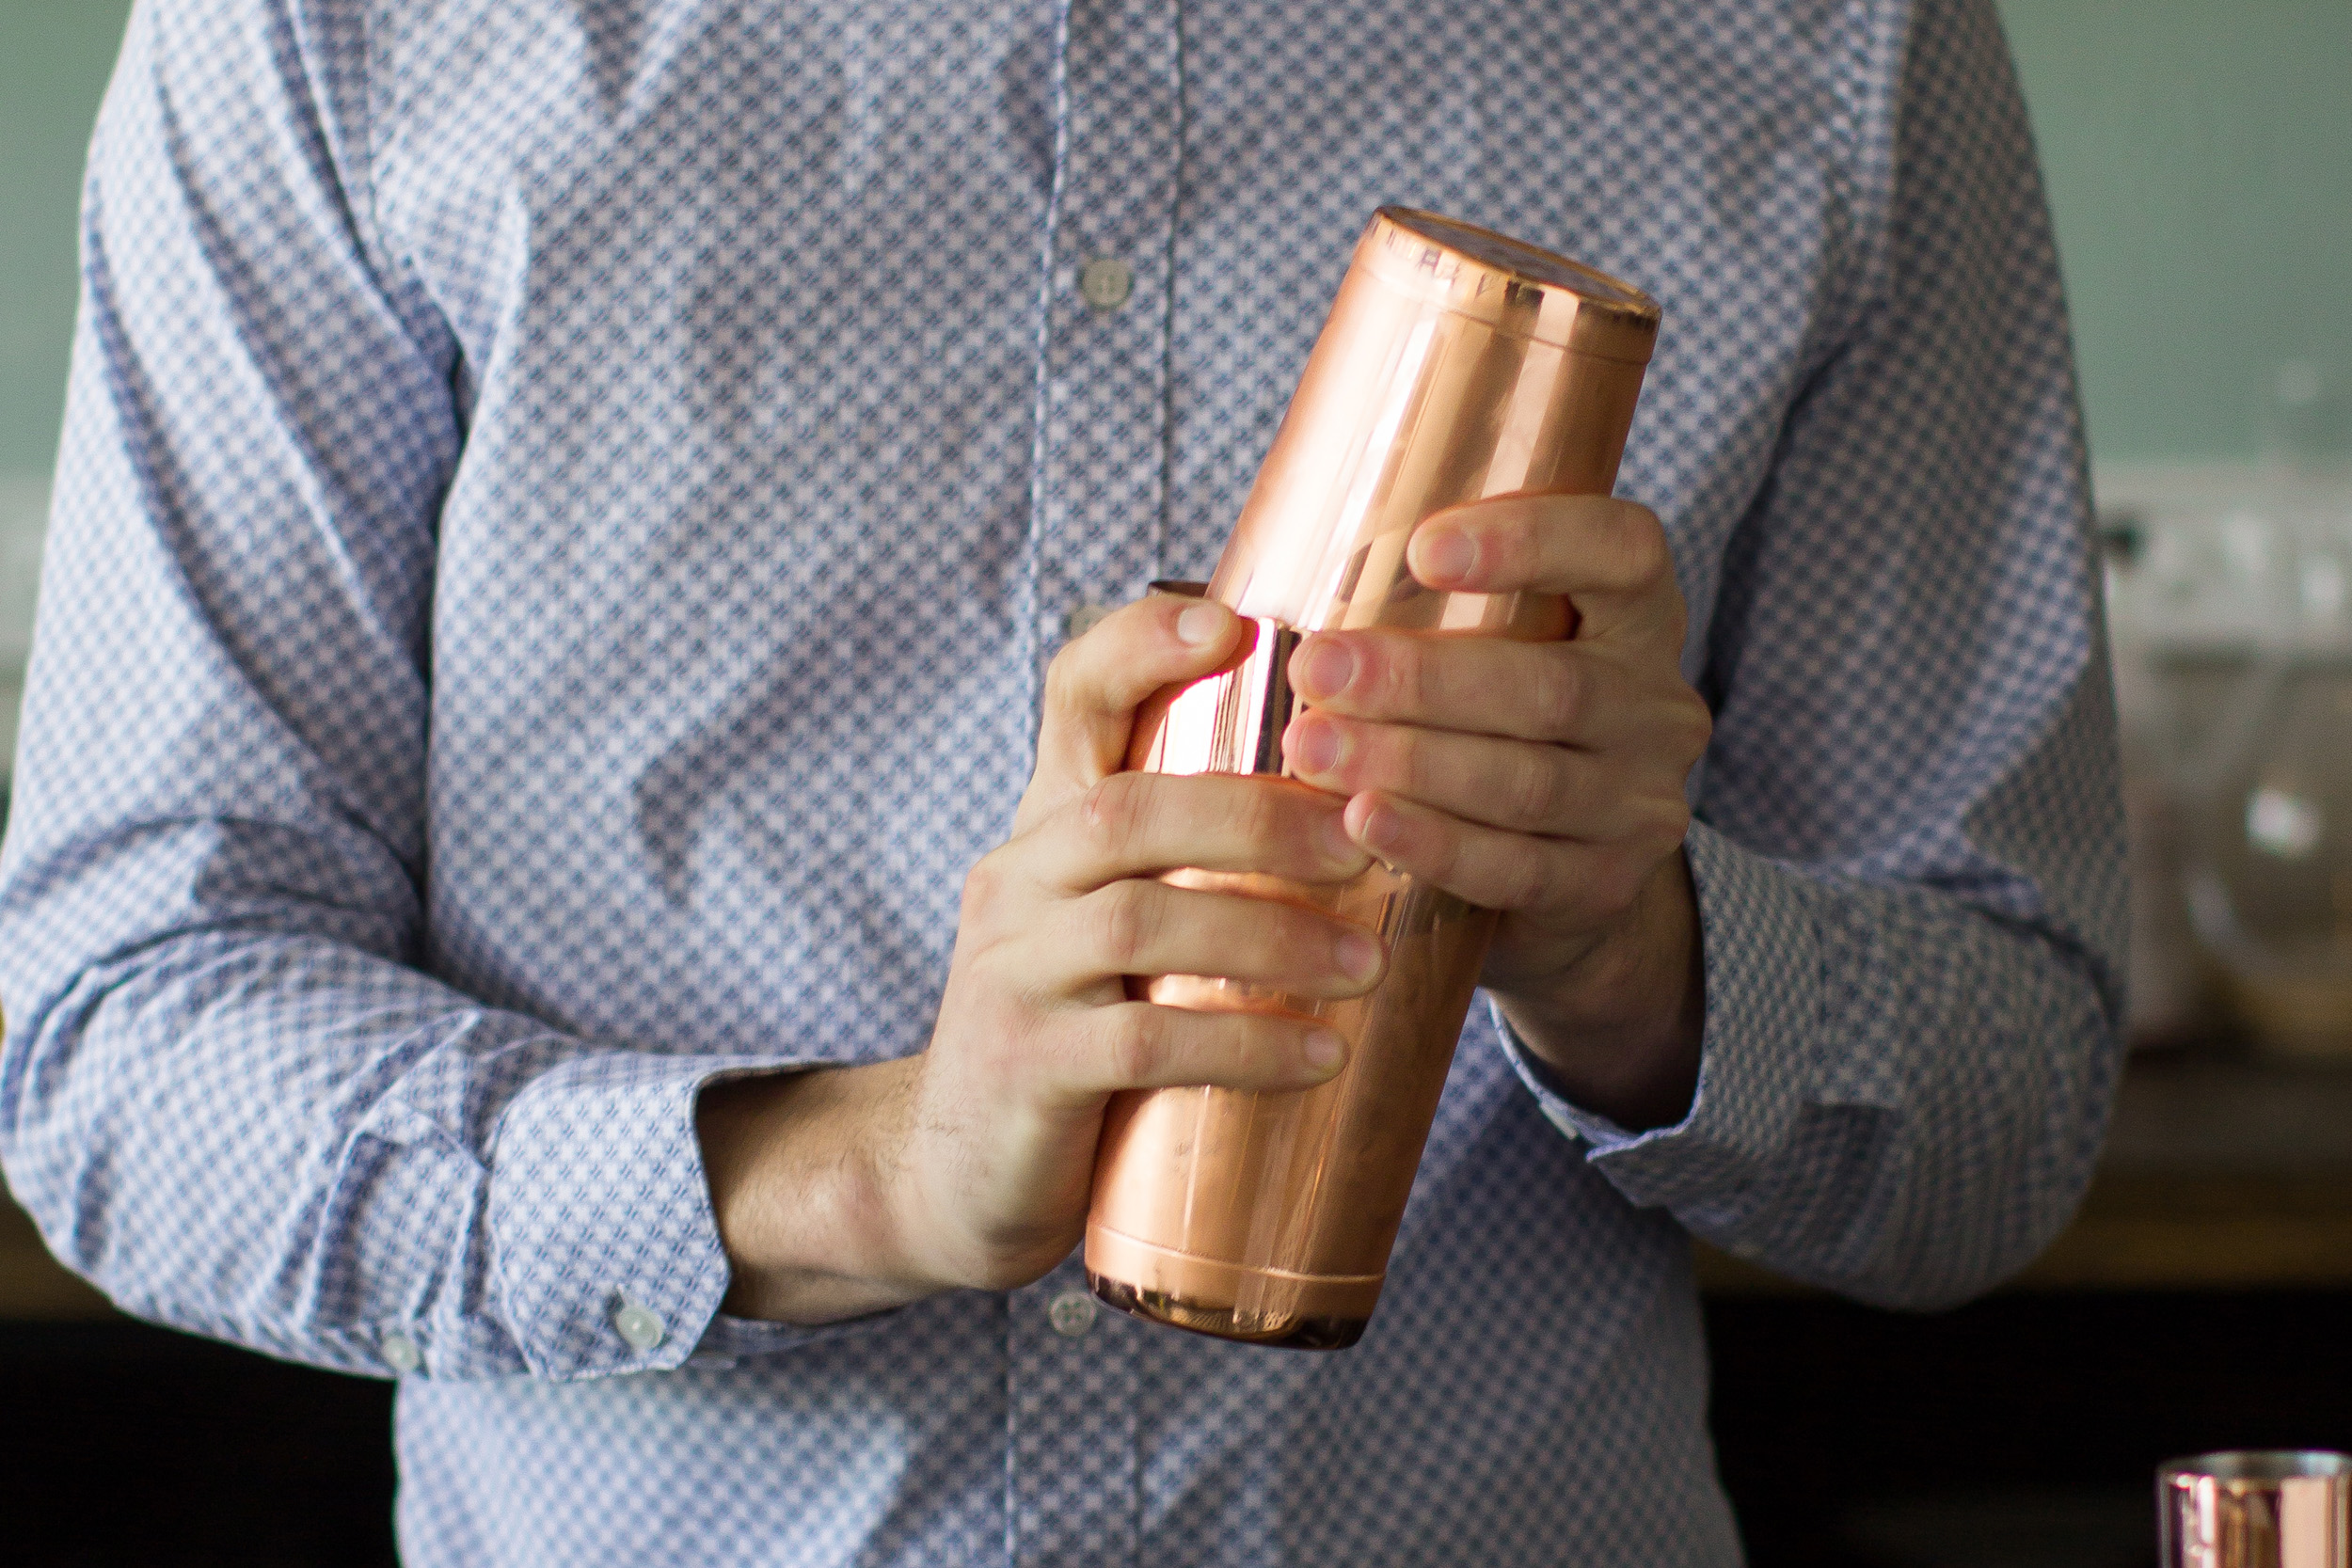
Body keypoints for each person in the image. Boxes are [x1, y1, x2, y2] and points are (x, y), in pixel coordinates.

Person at [0, 0, 2124, 1560]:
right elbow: (124, 1041)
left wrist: (1634, 954)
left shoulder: (1836, 40)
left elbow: (2007, 1097)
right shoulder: (336, 31)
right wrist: (854, 1173)